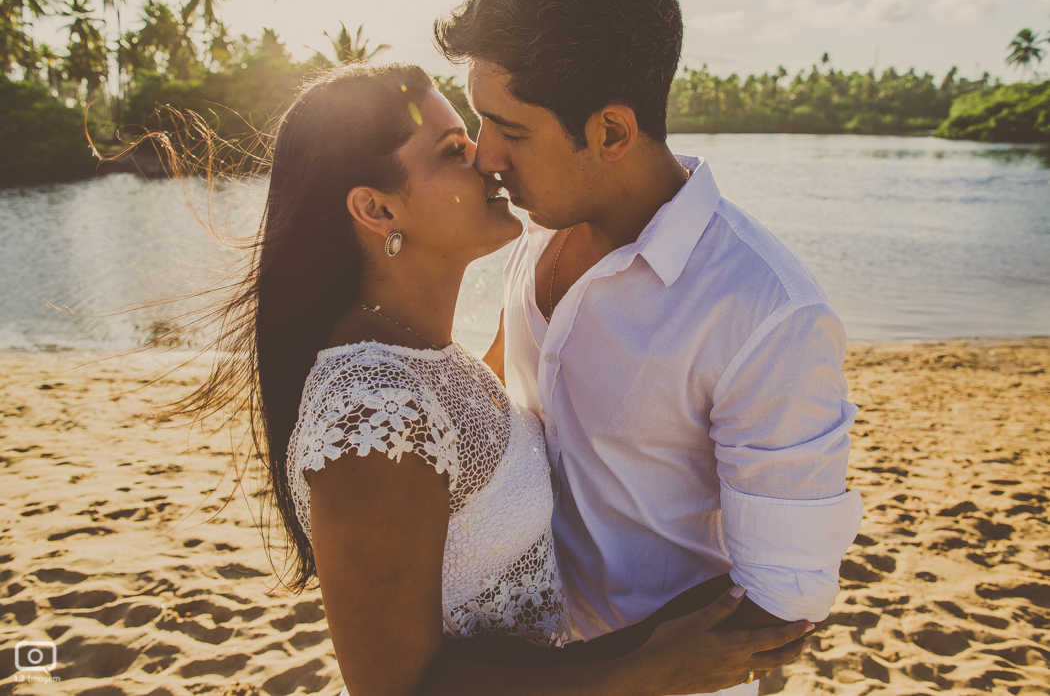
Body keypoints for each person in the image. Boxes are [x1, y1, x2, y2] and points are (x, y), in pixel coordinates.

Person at [151, 62, 814, 695]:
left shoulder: (429, 357)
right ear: (378, 210)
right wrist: (645, 671)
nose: (488, 159)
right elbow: (397, 690)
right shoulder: (374, 419)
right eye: (452, 150)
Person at [433, 0, 865, 694]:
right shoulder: (540, 223)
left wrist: (589, 677)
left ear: (610, 131)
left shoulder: (766, 310)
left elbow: (782, 605)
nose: (485, 156)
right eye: (480, 120)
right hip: (514, 659)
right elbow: (499, 393)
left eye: (509, 129)